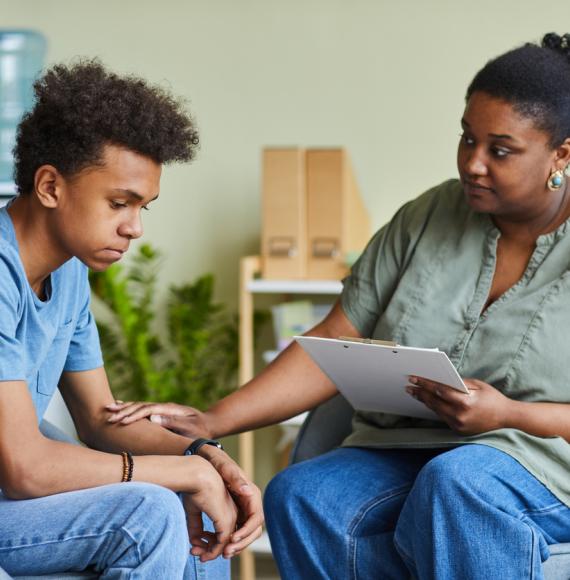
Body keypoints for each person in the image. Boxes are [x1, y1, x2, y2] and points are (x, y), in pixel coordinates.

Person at [108, 32, 570, 579]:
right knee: (302, 496)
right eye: (467, 139)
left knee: (457, 483)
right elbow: (333, 341)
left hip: (538, 458)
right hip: (409, 448)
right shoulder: (426, 216)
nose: (473, 163)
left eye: (500, 150)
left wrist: (509, 414)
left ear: (561, 154)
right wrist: (214, 418)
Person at [0, 60, 263, 579]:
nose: (135, 228)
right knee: (152, 512)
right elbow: (25, 468)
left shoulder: (67, 271)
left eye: (144, 207)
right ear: (50, 186)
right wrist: (178, 473)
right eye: (119, 203)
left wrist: (207, 458)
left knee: (203, 524)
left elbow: (99, 418)